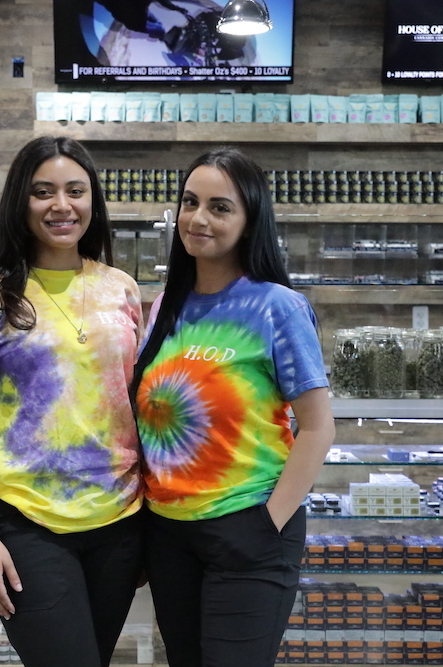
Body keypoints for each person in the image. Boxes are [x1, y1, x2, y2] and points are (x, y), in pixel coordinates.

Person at [130, 147, 336, 667]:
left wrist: (268, 523)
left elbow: (317, 427)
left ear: (250, 221)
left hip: (248, 527)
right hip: (169, 534)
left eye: (220, 207)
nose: (199, 218)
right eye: (190, 202)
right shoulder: (164, 307)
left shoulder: (277, 306)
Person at [0, 136, 145, 667]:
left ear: (93, 202)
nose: (62, 205)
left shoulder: (121, 288)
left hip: (120, 520)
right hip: (28, 520)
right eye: (43, 192)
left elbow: (138, 407)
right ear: (21, 202)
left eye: (76, 191)